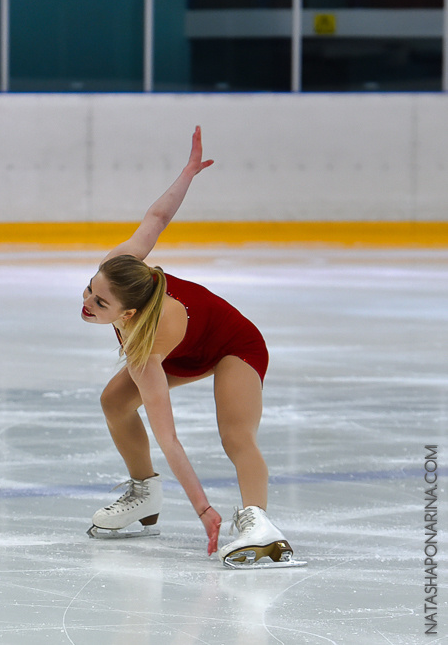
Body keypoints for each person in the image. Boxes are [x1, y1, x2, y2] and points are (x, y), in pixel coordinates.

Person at [80, 126, 302, 568]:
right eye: (89, 290)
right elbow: (156, 220)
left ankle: (259, 521)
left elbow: (170, 438)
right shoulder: (121, 270)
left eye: (99, 302)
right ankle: (144, 493)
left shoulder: (147, 348)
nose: (86, 303)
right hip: (183, 349)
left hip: (232, 346)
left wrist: (204, 510)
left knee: (235, 434)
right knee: (114, 402)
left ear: (128, 315)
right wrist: (187, 174)